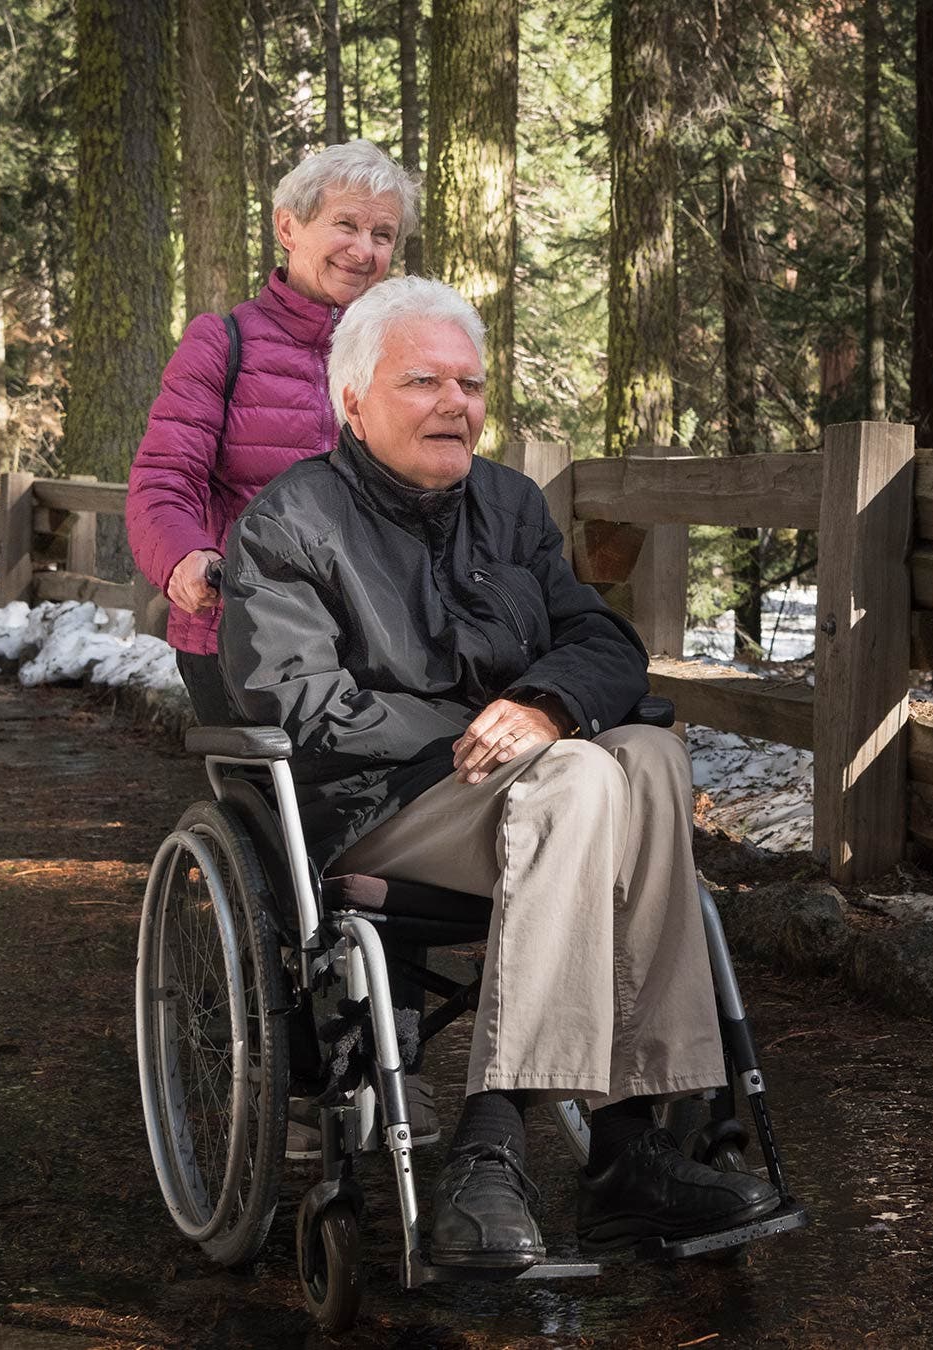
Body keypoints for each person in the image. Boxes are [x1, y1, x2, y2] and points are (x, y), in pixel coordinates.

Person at [218, 276, 781, 1269]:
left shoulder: (509, 506)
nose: (456, 404)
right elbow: (299, 704)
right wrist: (491, 735)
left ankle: (629, 1145)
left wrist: (550, 705)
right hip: (381, 809)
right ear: (353, 401)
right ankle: (492, 1142)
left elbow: (604, 642)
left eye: (471, 384)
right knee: (578, 779)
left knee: (644, 751)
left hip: (534, 797)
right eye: (423, 381)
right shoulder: (291, 524)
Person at [127, 139, 414, 726]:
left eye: (382, 235)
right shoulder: (222, 342)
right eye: (345, 225)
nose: (363, 250)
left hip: (378, 635)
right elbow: (163, 481)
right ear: (288, 227)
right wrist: (185, 556)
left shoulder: (400, 353)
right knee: (279, 805)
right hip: (244, 632)